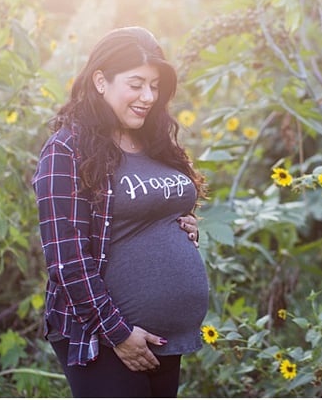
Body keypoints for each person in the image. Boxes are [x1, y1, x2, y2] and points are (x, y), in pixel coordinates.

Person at [32, 27, 209, 398]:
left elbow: (148, 210)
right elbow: (67, 261)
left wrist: (181, 224)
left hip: (162, 338)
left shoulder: (152, 137)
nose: (148, 97)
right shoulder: (66, 149)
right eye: (136, 84)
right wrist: (119, 334)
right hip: (104, 336)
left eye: (155, 86)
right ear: (101, 81)